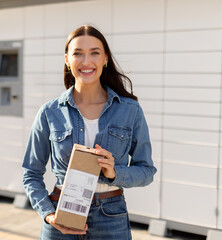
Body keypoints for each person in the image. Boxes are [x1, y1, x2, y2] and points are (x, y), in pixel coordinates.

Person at [22, 25, 157, 240]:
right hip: (61, 214)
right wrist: (48, 214)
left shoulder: (129, 110)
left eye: (94, 53)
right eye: (78, 54)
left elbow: (147, 171)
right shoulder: (49, 112)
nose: (86, 62)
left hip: (111, 217)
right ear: (67, 59)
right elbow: (31, 173)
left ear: (105, 59)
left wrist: (114, 172)